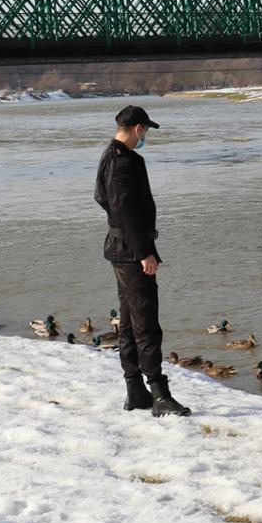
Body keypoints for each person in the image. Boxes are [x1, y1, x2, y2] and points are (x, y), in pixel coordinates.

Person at [95, 105, 189, 417]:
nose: (145, 136)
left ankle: (135, 389)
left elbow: (102, 199)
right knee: (146, 322)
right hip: (131, 251)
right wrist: (144, 252)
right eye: (145, 131)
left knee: (128, 319)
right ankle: (159, 395)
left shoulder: (109, 156)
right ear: (138, 129)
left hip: (120, 248)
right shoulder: (122, 162)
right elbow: (124, 211)